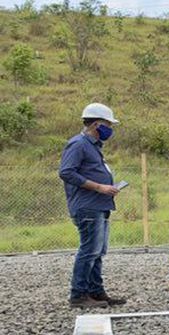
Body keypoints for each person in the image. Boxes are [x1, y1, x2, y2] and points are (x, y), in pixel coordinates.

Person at [58, 102, 125, 309]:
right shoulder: (78, 144)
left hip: (99, 204)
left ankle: (96, 291)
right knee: (89, 250)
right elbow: (66, 172)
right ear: (97, 124)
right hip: (88, 205)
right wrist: (98, 187)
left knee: (98, 251)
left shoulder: (93, 146)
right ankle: (78, 294)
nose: (110, 129)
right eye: (107, 124)